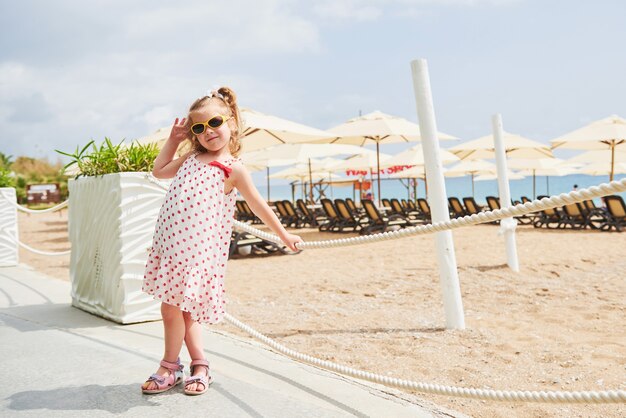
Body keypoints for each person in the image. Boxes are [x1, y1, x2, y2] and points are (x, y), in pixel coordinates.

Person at [141, 87, 302, 395]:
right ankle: (199, 365)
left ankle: (169, 366)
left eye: (214, 122)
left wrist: (283, 235)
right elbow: (159, 170)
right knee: (177, 311)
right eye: (198, 128)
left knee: (176, 310)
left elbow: (258, 205)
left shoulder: (233, 168)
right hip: (172, 250)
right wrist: (174, 140)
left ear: (231, 123)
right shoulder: (190, 158)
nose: (207, 132)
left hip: (198, 255)